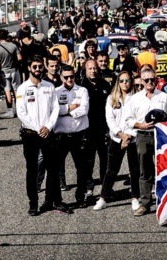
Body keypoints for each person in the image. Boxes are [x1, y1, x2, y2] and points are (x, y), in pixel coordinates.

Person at [16, 54, 71, 216]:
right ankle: (33, 204)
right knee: (32, 171)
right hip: (30, 134)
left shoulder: (49, 86)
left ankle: (51, 200)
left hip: (48, 133)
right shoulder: (23, 89)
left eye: (40, 67)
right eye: (35, 67)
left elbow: (55, 109)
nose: (38, 70)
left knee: (53, 169)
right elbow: (21, 112)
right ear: (29, 68)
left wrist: (48, 126)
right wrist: (38, 128)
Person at [123, 67, 167, 216]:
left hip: (161, 136)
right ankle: (145, 203)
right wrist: (141, 125)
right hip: (143, 136)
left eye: (153, 79)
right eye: (147, 80)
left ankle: (164, 202)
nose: (150, 82)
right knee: (145, 170)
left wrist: (163, 123)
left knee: (163, 169)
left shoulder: (164, 97)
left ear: (157, 80)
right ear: (142, 81)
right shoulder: (135, 98)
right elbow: (128, 119)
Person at [94, 71, 140, 212]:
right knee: (111, 170)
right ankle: (103, 198)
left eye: (127, 80)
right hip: (116, 138)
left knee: (134, 170)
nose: (125, 83)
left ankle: (135, 198)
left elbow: (138, 119)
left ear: (131, 82)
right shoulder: (111, 98)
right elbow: (110, 120)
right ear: (117, 83)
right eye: (122, 81)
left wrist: (129, 136)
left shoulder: (137, 98)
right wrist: (121, 135)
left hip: (133, 139)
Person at [54, 64, 91, 209]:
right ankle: (57, 199)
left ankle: (80, 196)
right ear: (61, 77)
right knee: (56, 169)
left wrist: (67, 111)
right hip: (61, 135)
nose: (69, 79)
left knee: (82, 168)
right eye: (66, 77)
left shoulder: (82, 90)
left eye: (72, 76)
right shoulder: (56, 92)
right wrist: (71, 108)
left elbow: (84, 109)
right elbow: (56, 110)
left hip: (79, 134)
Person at [80, 59, 112, 197]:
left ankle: (106, 188)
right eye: (90, 68)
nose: (93, 71)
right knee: (88, 160)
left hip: (103, 128)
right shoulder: (81, 86)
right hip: (87, 129)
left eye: (95, 68)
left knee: (105, 159)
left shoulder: (104, 84)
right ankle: (88, 187)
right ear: (85, 70)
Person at [0, 28, 21, 118]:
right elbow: (20, 58)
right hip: (14, 70)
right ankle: (19, 110)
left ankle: (10, 111)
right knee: (16, 90)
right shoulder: (13, 46)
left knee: (7, 90)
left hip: (4, 71)